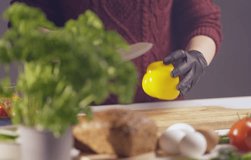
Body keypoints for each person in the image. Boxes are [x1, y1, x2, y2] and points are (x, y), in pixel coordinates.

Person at [11, 0, 222, 104]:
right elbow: (24, 21)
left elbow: (203, 19)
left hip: (161, 112)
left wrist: (198, 57)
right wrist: (71, 45)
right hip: (79, 111)